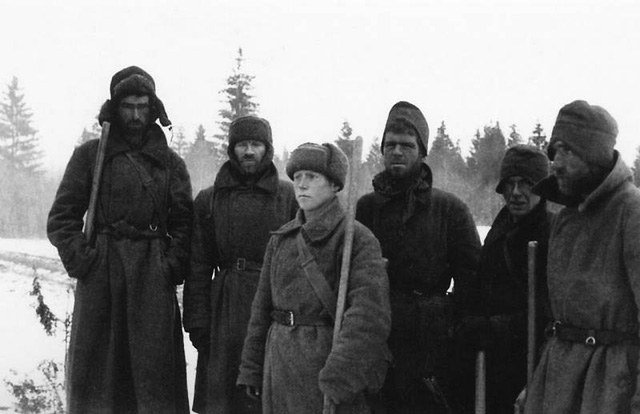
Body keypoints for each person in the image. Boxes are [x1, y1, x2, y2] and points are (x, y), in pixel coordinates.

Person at [47, 66, 192, 413]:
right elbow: (62, 217)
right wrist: (83, 259)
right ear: (115, 108)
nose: (136, 115)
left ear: (153, 109)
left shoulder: (169, 164)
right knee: (99, 374)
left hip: (150, 278)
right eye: (128, 106)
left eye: (143, 106)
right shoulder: (90, 156)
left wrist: (169, 265)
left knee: (152, 374)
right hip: (102, 274)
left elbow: (185, 224)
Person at [237, 142, 392, 414]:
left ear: (334, 184)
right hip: (279, 366)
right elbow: (261, 310)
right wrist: (251, 367)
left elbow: (369, 317)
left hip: (324, 369)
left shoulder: (356, 239)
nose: (301, 184)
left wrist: (340, 376)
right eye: (297, 177)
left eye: (312, 176)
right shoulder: (281, 240)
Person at [355, 101, 481, 413]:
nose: (397, 152)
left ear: (422, 151)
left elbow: (472, 281)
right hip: (377, 334)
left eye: (407, 145)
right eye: (390, 145)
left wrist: (448, 325)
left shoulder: (449, 210)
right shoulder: (365, 209)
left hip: (430, 343)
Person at [524, 100, 640, 413]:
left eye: (567, 150)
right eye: (554, 152)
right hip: (558, 383)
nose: (556, 164)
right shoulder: (567, 217)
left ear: (595, 155)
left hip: (610, 386)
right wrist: (536, 386)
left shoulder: (631, 211)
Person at [183, 115, 297, 414]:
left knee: (267, 397)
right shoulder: (210, 200)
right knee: (224, 399)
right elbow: (198, 265)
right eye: (242, 145)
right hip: (224, 309)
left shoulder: (288, 197)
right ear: (232, 149)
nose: (249, 152)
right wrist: (198, 321)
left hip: (271, 306)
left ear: (267, 149)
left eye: (256, 145)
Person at [456, 145, 553, 414]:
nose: (516, 192)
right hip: (492, 361)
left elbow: (549, 311)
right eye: (509, 184)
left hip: (533, 363)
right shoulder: (499, 231)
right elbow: (482, 285)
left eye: (526, 184)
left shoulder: (552, 235)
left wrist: (493, 328)